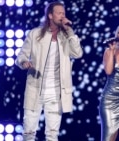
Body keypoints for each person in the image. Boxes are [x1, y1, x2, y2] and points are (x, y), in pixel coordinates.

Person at [15, 1, 83, 141]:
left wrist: (70, 32)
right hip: (35, 89)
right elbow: (21, 56)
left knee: (52, 135)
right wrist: (24, 62)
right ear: (50, 16)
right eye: (59, 13)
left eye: (64, 13)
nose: (62, 16)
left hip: (56, 92)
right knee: (28, 133)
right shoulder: (35, 34)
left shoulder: (66, 37)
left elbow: (77, 54)